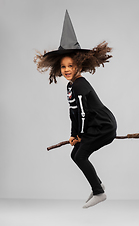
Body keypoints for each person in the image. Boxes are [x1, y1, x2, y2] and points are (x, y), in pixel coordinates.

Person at [34, 10, 117, 208]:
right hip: (94, 126)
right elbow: (74, 113)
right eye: (63, 67)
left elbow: (81, 113)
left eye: (71, 65)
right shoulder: (71, 86)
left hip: (103, 126)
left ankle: (99, 192)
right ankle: (98, 184)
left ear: (79, 64)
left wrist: (79, 134)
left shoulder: (79, 84)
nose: (67, 70)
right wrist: (74, 134)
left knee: (80, 155)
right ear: (58, 69)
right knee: (76, 154)